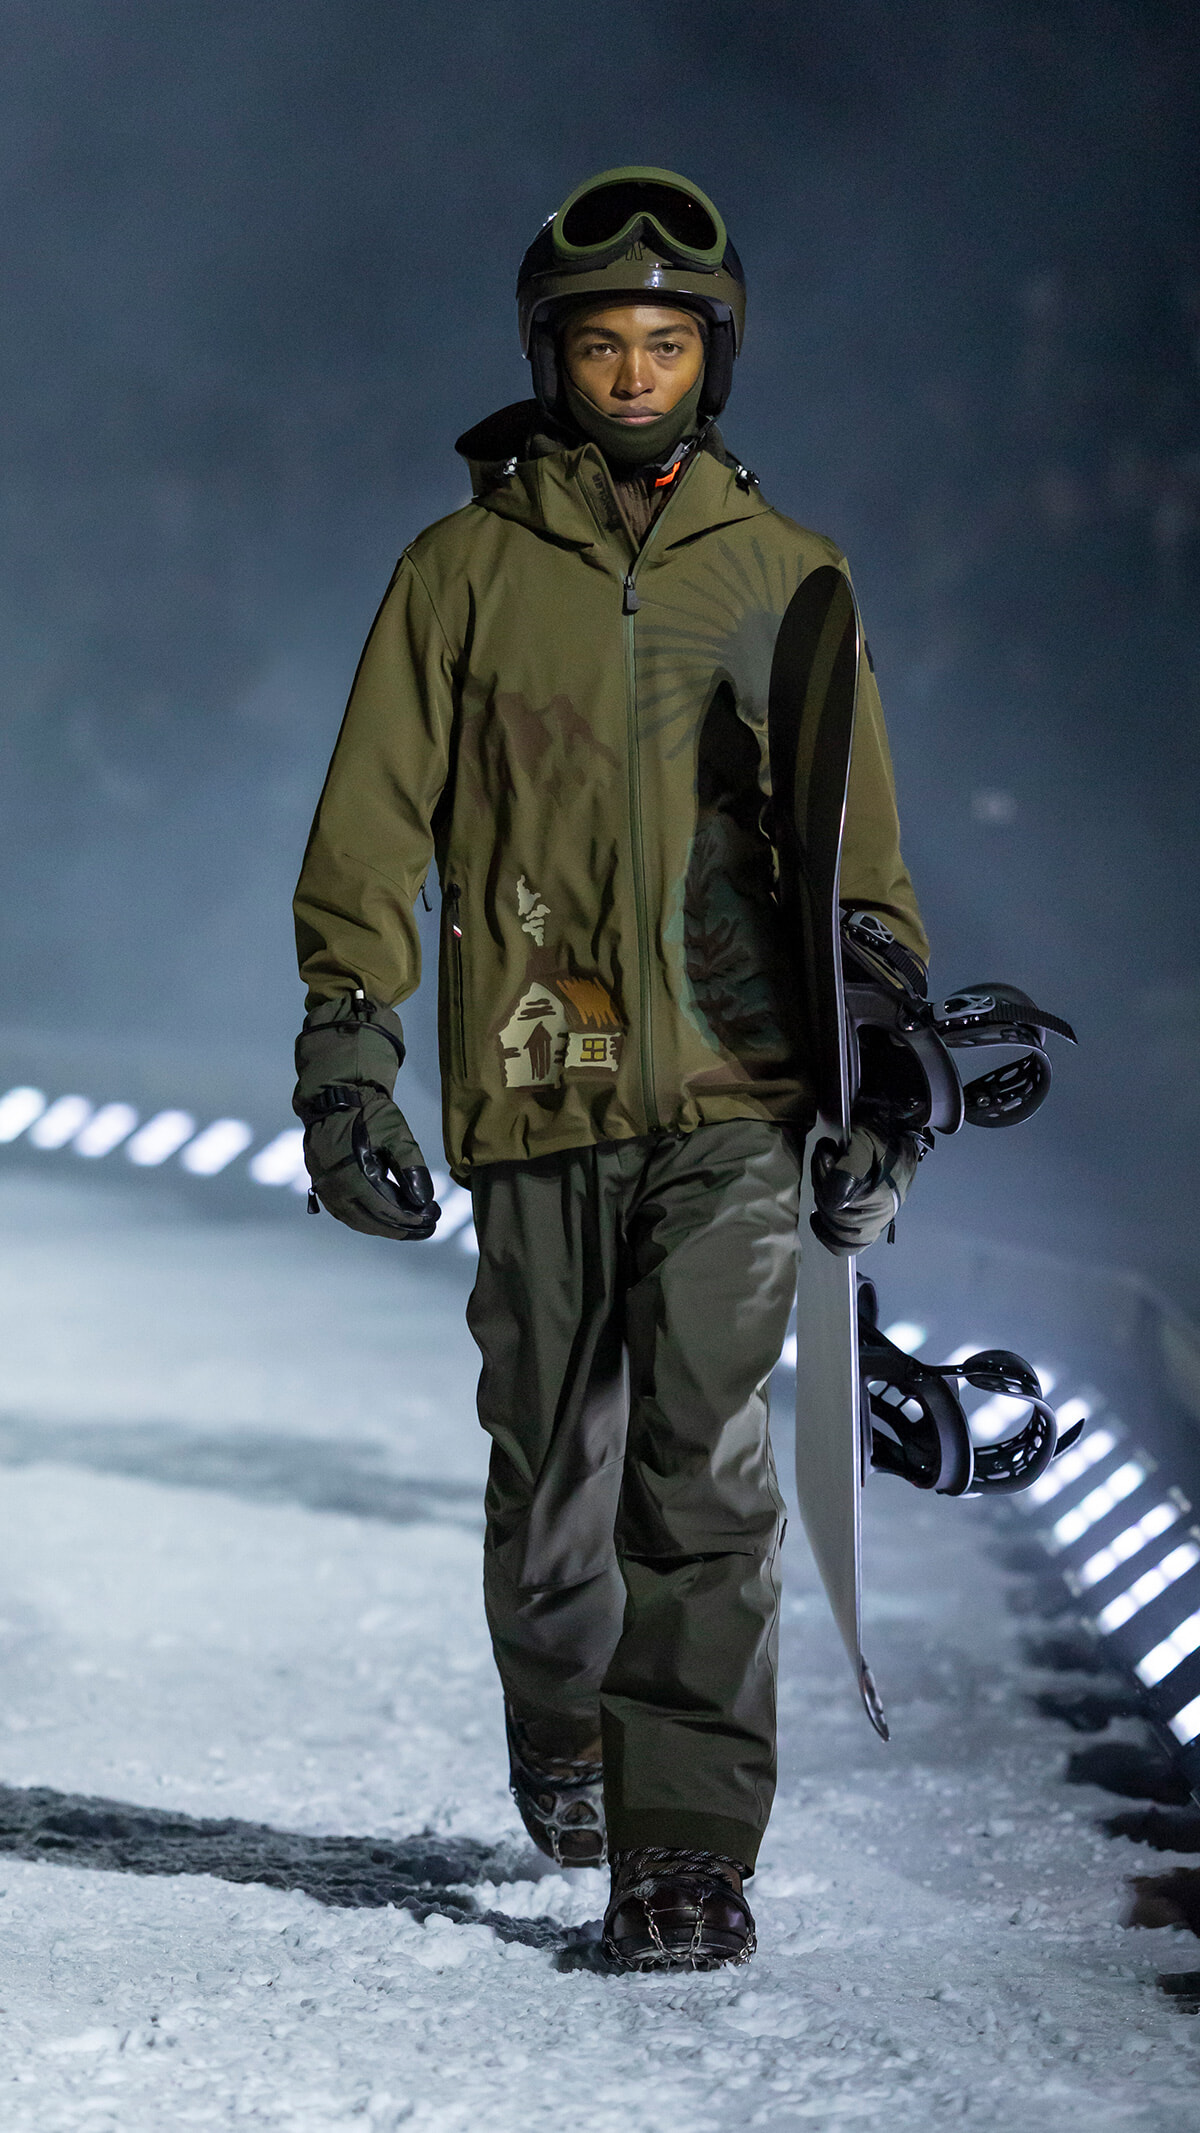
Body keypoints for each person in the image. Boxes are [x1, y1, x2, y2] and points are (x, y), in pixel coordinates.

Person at [292, 167, 929, 1972]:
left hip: (740, 1095)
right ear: (551, 354)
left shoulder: (792, 576)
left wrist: (880, 1085)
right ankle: (564, 1726)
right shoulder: (463, 574)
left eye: (666, 340)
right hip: (537, 1079)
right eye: (602, 341)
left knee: (704, 1470)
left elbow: (858, 869)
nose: (634, 368)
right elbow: (368, 831)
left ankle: (684, 1845)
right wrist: (351, 1059)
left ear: (712, 355)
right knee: (551, 1467)